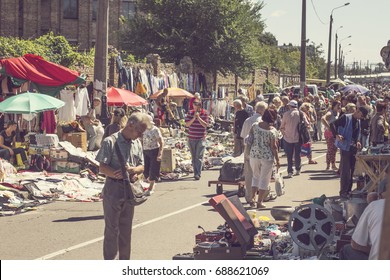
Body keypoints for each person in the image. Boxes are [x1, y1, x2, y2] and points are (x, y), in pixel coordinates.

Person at [95, 112, 152, 260]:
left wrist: (135, 171)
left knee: (126, 231)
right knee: (112, 230)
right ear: (130, 125)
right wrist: (115, 174)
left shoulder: (136, 143)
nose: (140, 136)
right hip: (113, 189)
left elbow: (142, 166)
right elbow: (102, 166)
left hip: (130, 190)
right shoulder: (110, 141)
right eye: (139, 132)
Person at [330, 106, 369, 199]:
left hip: (353, 148)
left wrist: (358, 141)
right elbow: (332, 124)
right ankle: (343, 192)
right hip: (345, 147)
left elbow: (356, 133)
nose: (361, 118)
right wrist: (336, 135)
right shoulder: (346, 117)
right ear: (358, 111)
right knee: (345, 171)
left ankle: (349, 191)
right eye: (361, 115)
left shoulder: (358, 121)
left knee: (351, 171)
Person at [340, 184, 386, 260]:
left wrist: (372, 250)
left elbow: (355, 244)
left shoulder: (375, 205)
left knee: (346, 250)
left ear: (380, 196)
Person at [247, 109, 280, 208]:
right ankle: (259, 202)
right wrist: (277, 160)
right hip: (267, 157)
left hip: (254, 155)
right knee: (264, 179)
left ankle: (252, 199)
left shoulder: (255, 126)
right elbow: (274, 147)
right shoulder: (272, 131)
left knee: (255, 177)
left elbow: (249, 140)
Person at [240, 101, 268, 204]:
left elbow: (243, 136)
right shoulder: (263, 121)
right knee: (261, 175)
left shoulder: (248, 120)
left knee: (249, 175)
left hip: (248, 150)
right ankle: (261, 196)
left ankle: (249, 197)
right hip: (261, 151)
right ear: (263, 110)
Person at [280, 100, 305, 178]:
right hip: (298, 137)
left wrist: (284, 133)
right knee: (297, 154)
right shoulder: (300, 114)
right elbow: (307, 124)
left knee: (289, 155)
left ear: (290, 106)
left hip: (287, 137)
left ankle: (290, 171)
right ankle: (298, 169)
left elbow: (282, 126)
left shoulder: (286, 114)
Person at [185, 99, 209, 180]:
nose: (195, 106)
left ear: (200, 105)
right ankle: (195, 172)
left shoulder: (205, 113)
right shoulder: (190, 113)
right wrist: (193, 118)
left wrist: (198, 118)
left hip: (201, 138)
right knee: (193, 156)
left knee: (199, 156)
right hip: (191, 138)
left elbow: (205, 125)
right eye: (194, 105)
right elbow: (187, 124)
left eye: (197, 104)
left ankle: (197, 173)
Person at [142, 115, 164, 195]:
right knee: (145, 170)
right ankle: (149, 183)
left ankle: (151, 187)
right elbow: (141, 140)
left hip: (154, 150)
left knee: (153, 170)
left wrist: (160, 153)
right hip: (145, 150)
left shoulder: (155, 130)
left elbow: (161, 142)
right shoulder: (144, 129)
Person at [322, 101, 341, 171]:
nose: (339, 106)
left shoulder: (338, 113)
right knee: (330, 149)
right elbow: (323, 119)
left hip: (335, 133)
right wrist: (328, 127)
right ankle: (328, 165)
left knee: (334, 149)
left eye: (340, 105)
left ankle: (333, 165)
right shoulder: (330, 112)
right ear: (334, 106)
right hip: (329, 133)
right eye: (338, 105)